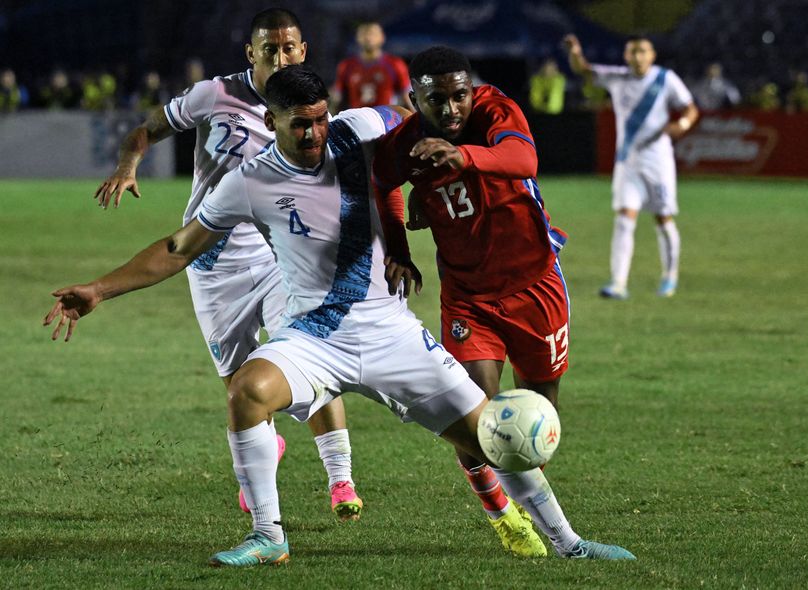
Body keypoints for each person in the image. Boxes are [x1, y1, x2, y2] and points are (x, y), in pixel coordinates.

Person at [44, 64, 635, 567]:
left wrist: (450, 180)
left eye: (320, 118)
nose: (314, 132)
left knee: (489, 435)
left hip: (390, 330)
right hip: (313, 337)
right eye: (299, 122)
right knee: (248, 390)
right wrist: (100, 289)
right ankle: (268, 536)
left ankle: (570, 544)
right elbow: (178, 248)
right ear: (270, 121)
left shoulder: (360, 130)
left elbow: (428, 117)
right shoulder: (249, 182)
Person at [91, 8, 364, 521]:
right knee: (239, 384)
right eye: (270, 49)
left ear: (302, 51)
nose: (280, 58)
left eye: (289, 48)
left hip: (276, 256)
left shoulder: (307, 108)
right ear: (251, 53)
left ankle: (341, 478)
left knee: (309, 354)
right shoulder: (213, 95)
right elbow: (146, 129)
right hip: (209, 262)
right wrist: (129, 164)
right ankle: (266, 447)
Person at [371, 46, 570, 558]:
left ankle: (534, 500)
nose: (452, 108)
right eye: (437, 99)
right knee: (473, 415)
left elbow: (524, 158)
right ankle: (503, 514)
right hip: (468, 298)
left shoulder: (495, 109)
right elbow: (381, 184)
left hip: (535, 284)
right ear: (416, 98)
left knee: (539, 416)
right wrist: (397, 249)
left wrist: (464, 156)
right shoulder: (406, 141)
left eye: (460, 95)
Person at [565, 34, 698, 299]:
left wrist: (680, 126)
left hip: (658, 162)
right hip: (627, 164)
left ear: (652, 55)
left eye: (642, 51)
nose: (637, 57)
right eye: (632, 52)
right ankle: (618, 283)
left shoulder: (665, 79)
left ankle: (670, 276)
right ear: (626, 56)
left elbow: (690, 109)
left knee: (663, 219)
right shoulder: (618, 78)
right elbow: (583, 69)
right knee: (624, 219)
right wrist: (575, 51)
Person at [331, 21, 413, 112]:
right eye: (364, 34)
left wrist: (417, 119)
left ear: (382, 37)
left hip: (385, 121)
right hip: (357, 121)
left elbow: (407, 96)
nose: (368, 38)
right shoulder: (346, 66)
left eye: (373, 34)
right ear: (357, 38)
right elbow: (337, 99)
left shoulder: (395, 64)